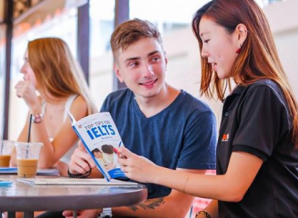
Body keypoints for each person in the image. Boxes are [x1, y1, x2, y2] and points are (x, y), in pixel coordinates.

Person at [118, 0, 298, 218]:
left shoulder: (262, 93)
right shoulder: (241, 97)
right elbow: (230, 189)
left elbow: (233, 188)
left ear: (240, 34)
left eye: (207, 39)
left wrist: (152, 173)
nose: (203, 52)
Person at [62, 19, 217, 218]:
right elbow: (103, 173)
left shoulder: (197, 116)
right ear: (119, 73)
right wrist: (80, 170)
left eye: (154, 59)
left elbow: (177, 208)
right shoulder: (113, 104)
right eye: (134, 63)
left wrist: (101, 206)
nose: (148, 72)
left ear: (166, 60)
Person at [14, 37, 97, 176]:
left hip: (72, 193)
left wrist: (35, 110)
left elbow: (43, 163)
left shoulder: (78, 104)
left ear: (46, 65)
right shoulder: (40, 103)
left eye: (28, 61)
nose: (22, 69)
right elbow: (15, 159)